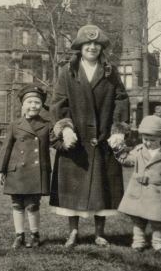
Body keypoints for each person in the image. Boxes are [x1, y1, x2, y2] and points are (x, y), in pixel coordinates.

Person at [50, 24, 130, 248]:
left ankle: (99, 233)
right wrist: (65, 128)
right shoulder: (68, 72)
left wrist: (118, 131)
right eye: (88, 43)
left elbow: (121, 100)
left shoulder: (110, 72)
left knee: (102, 189)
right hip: (76, 141)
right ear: (80, 47)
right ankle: (73, 232)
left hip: (103, 140)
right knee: (72, 189)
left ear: (101, 48)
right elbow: (58, 102)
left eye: (97, 44)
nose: (92, 47)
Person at [111, 115, 161, 255]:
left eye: (152, 140)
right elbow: (128, 161)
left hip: (158, 193)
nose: (148, 143)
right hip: (139, 191)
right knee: (138, 220)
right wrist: (118, 150)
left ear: (160, 139)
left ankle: (158, 244)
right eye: (145, 139)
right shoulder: (139, 150)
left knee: (158, 221)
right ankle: (138, 242)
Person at [0, 84, 51, 249]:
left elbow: (56, 141)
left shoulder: (47, 125)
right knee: (17, 204)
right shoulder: (15, 125)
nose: (33, 105)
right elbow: (6, 149)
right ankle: (19, 235)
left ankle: (35, 235)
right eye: (30, 102)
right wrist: (0, 170)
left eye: (37, 102)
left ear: (41, 105)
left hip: (36, 172)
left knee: (33, 205)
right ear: (23, 105)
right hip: (17, 171)